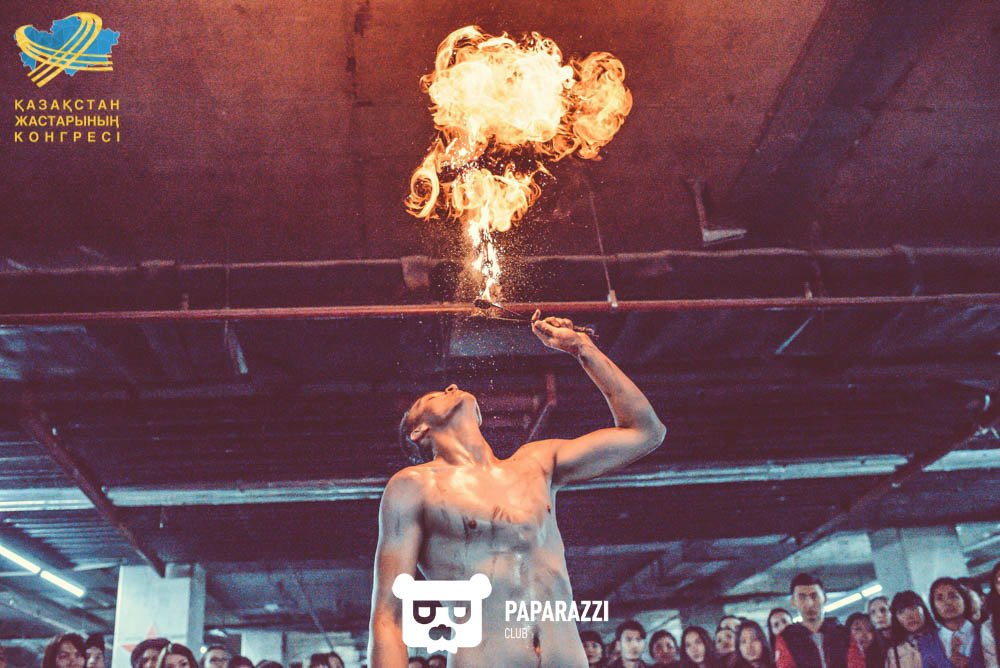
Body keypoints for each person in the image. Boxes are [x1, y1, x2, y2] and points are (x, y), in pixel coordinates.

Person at [368, 312, 667, 667]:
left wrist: (581, 348)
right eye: (431, 397)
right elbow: (388, 617)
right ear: (418, 431)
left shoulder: (535, 462)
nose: (450, 387)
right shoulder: (414, 486)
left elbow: (645, 432)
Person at [774, 573, 850, 668]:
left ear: (825, 598)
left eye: (814, 596)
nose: (809, 603)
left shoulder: (845, 634)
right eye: (802, 597)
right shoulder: (786, 639)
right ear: (793, 602)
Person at [929, 577, 986, 668]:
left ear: (964, 600)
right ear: (934, 606)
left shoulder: (985, 631)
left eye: (953, 596)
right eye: (939, 598)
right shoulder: (928, 642)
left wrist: (970, 664)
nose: (947, 603)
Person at [886, 590, 939, 668]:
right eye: (901, 612)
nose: (909, 616)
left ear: (923, 609)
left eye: (913, 608)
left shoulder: (942, 637)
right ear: (896, 619)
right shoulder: (894, 653)